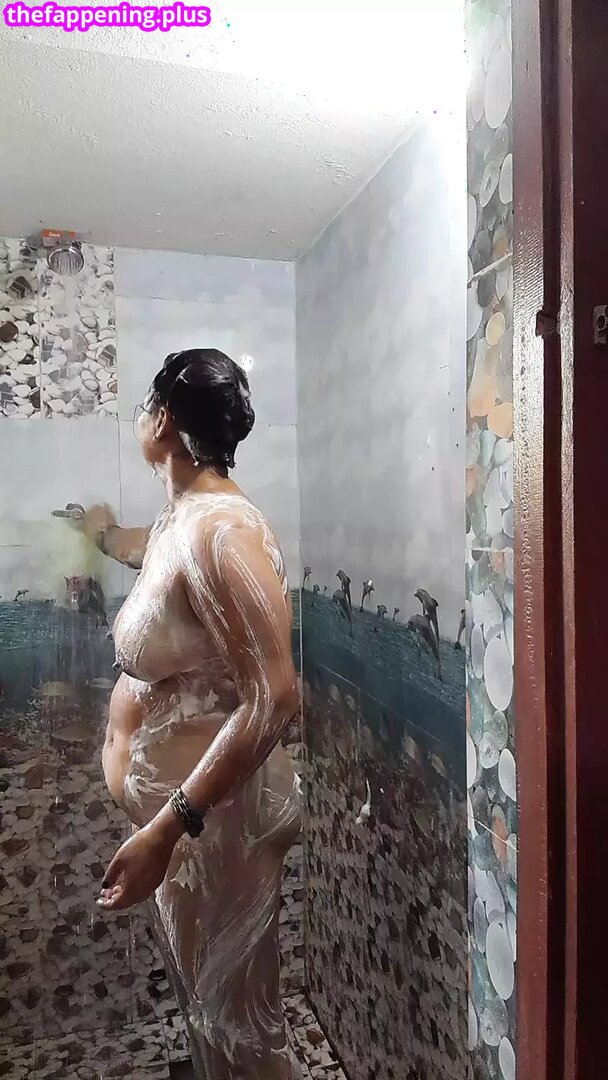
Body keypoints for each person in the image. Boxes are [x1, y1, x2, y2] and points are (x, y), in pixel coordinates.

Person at [79, 349, 301, 1080]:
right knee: (211, 1013)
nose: (139, 420)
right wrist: (101, 536)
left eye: (144, 407)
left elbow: (275, 695)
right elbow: (155, 559)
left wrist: (167, 827)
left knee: (242, 1030)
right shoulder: (183, 520)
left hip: (214, 825)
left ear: (164, 418)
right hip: (192, 831)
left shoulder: (223, 535)